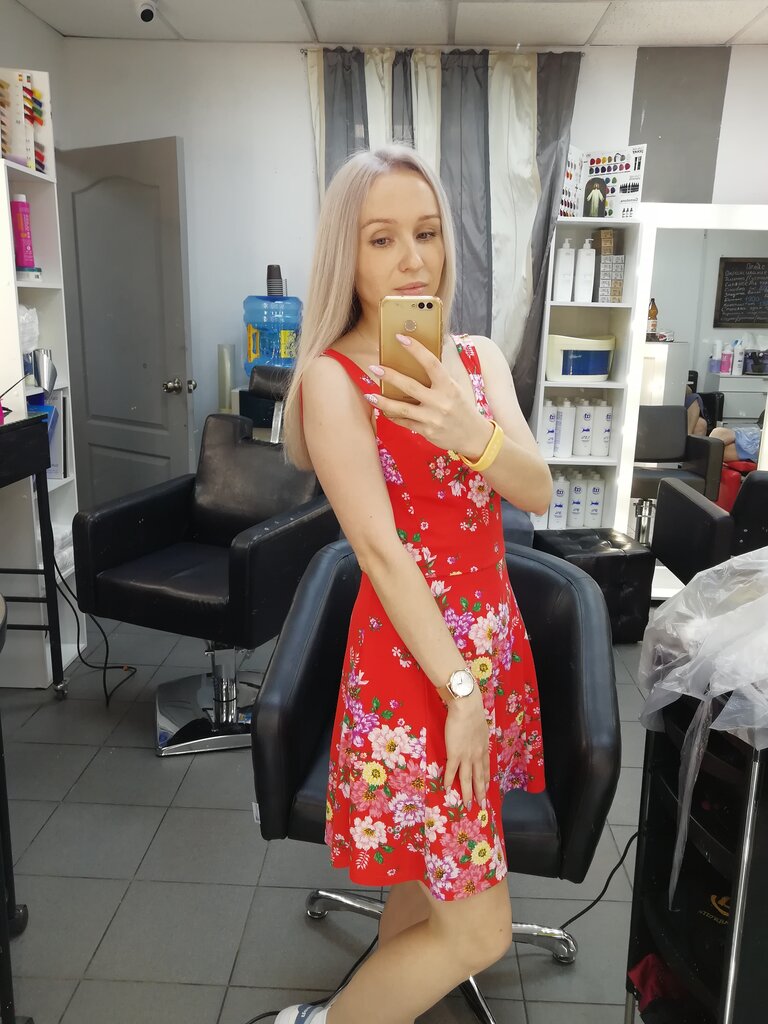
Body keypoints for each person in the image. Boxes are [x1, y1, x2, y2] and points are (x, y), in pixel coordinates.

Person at [278, 144, 552, 1024]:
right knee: (479, 933)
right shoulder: (333, 381)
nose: (412, 259)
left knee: (421, 876)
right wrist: (459, 692)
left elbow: (538, 491)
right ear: (347, 255)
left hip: (489, 649)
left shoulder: (477, 359)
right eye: (382, 239)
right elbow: (380, 550)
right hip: (416, 669)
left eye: (427, 233)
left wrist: (470, 430)